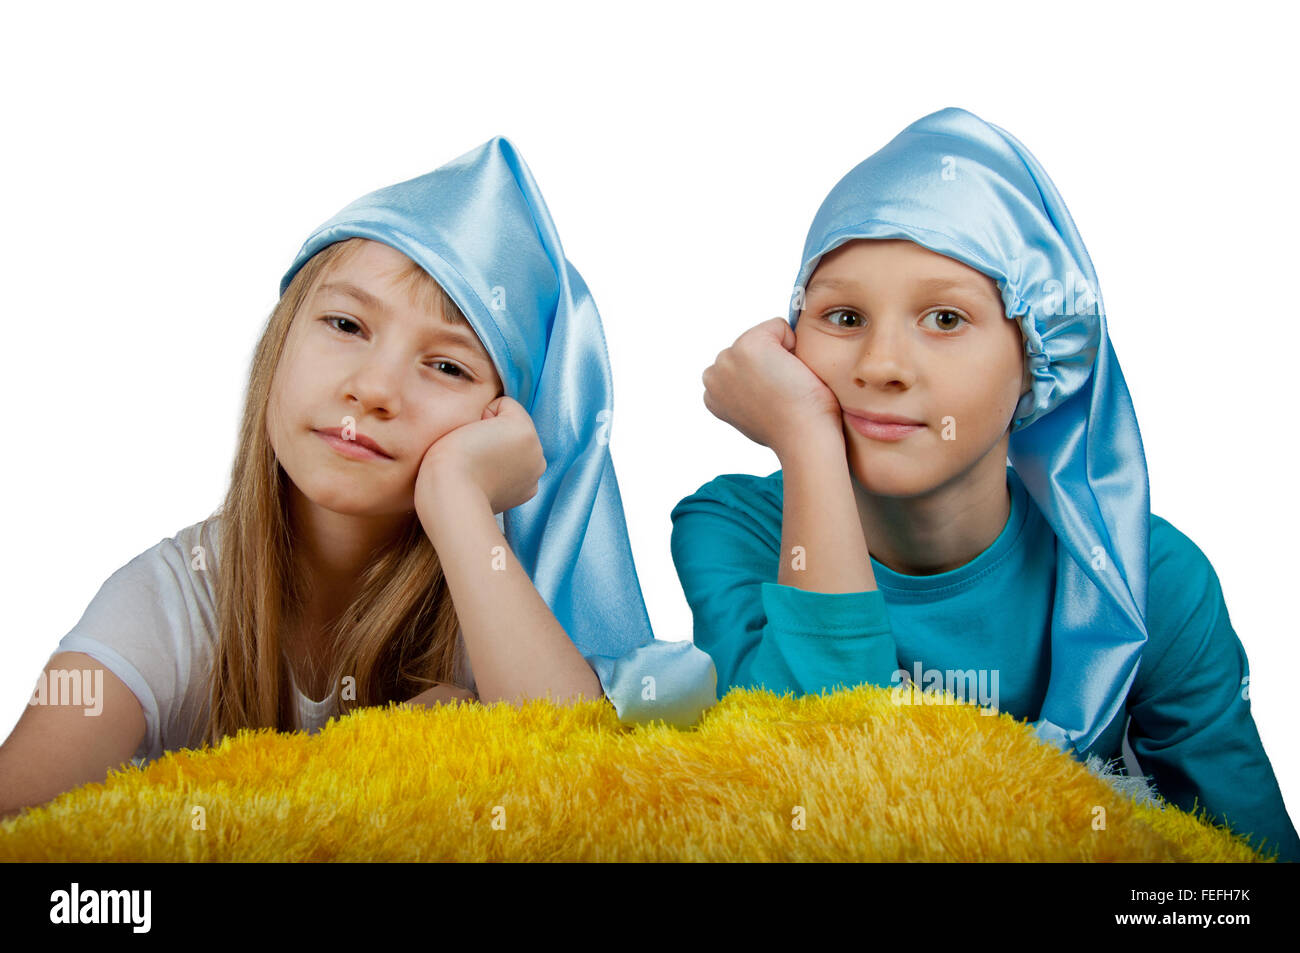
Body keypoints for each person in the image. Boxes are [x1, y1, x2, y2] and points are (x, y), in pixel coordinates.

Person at [1, 136, 716, 820]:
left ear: (504, 427)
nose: (374, 387)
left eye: (447, 366)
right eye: (346, 324)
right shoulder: (173, 599)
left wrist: (457, 498)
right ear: (279, 343)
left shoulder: (500, 605)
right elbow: (15, 821)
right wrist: (364, 760)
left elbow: (587, 792)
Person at [670, 107, 1299, 861]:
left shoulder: (1148, 579)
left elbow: (1251, 874)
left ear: (1039, 356)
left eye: (943, 317)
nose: (881, 365)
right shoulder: (732, 527)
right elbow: (809, 778)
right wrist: (806, 439)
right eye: (842, 315)